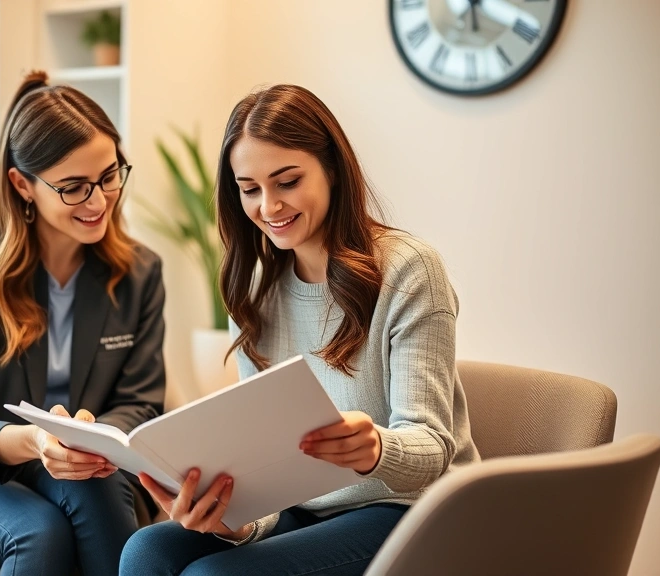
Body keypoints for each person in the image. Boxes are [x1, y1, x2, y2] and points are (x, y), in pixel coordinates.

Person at [120, 83, 480, 576]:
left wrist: (373, 449)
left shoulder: (409, 271)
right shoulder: (252, 286)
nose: (268, 207)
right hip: (306, 509)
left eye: (287, 181)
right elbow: (266, 467)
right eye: (249, 189)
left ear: (332, 169)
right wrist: (233, 520)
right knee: (146, 551)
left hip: (409, 509)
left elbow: (432, 448)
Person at [0, 71, 166, 576]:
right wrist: (39, 443)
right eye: (73, 188)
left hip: (93, 472)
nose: (98, 201)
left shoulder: (140, 271)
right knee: (39, 534)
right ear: (22, 185)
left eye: (110, 176)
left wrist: (95, 442)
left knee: (92, 482)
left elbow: (141, 403)